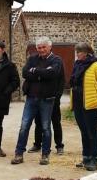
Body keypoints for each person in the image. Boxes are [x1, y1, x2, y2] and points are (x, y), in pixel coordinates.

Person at [11, 36, 64, 166]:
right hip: (31, 98)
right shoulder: (32, 59)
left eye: (43, 47)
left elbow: (53, 74)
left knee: (46, 127)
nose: (41, 50)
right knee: (24, 126)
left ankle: (45, 155)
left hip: (47, 99)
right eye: (39, 48)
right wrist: (43, 73)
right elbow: (24, 73)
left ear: (50, 47)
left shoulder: (56, 60)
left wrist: (36, 72)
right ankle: (19, 154)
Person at [70, 43, 97, 170]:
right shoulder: (77, 65)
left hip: (91, 105)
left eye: (79, 52)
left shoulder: (96, 66)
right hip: (78, 104)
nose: (77, 54)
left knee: (92, 133)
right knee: (84, 132)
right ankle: (86, 157)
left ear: (87, 53)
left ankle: (94, 159)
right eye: (77, 52)